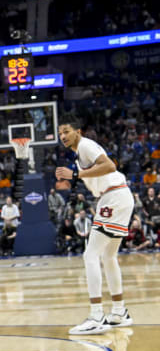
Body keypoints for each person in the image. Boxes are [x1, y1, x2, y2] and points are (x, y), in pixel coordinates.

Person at [56, 116, 133, 335]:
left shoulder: (86, 146)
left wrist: (77, 174)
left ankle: (96, 315)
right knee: (108, 257)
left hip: (114, 197)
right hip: (118, 196)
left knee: (90, 255)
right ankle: (118, 311)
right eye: (61, 132)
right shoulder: (83, 149)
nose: (63, 136)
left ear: (77, 131)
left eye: (67, 131)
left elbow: (110, 165)